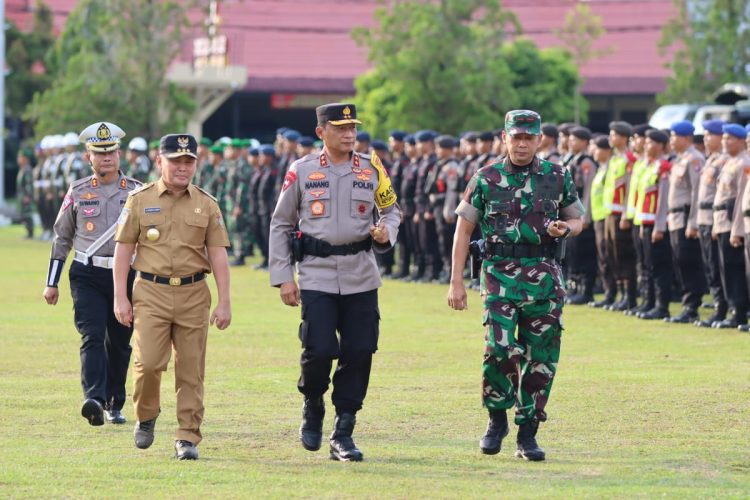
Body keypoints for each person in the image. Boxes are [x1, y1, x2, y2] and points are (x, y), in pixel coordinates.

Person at [447, 110, 584, 462]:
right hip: (498, 279)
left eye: (529, 137)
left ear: (539, 140)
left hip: (544, 280)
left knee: (542, 358)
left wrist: (566, 229)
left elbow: (577, 217)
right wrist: (456, 282)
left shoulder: (557, 176)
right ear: (504, 138)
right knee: (499, 349)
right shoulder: (485, 178)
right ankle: (496, 420)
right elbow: (463, 230)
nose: (522, 143)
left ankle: (528, 432)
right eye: (516, 137)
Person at [268, 103, 401, 462]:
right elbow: (281, 223)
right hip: (316, 274)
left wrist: (385, 231)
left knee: (359, 351)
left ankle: (344, 430)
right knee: (320, 349)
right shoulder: (302, 170)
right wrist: (283, 278)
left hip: (361, 272)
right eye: (341, 128)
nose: (349, 134)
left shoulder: (371, 168)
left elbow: (391, 210)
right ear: (321, 132)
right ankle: (313, 403)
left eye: (353, 127)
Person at [112, 133, 232, 461]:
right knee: (149, 362)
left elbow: (218, 254)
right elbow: (123, 250)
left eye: (188, 161)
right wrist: (119, 297)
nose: (182, 167)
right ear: (159, 160)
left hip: (194, 292)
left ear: (196, 163)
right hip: (150, 291)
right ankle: (146, 414)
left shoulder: (207, 203)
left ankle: (187, 436)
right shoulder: (139, 199)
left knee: (191, 368)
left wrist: (224, 300)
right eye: (175, 160)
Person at [42, 121, 141, 426]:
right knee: (92, 336)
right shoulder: (79, 190)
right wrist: (52, 282)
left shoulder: (138, 192)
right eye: (99, 153)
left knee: (120, 343)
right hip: (87, 273)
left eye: (110, 152)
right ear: (88, 157)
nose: (105, 158)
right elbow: (62, 237)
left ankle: (114, 401)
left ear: (119, 154)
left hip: (125, 276)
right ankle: (94, 398)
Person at [666, 120, 706, 323]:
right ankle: (686, 304)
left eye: (675, 136)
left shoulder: (694, 159)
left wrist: (693, 224)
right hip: (674, 218)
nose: (671, 140)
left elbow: (697, 193)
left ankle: (692, 306)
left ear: (687, 138)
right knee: (679, 262)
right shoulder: (679, 159)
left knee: (689, 262)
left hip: (685, 218)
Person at [694, 120, 728, 327]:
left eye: (709, 136)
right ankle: (719, 306)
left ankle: (723, 307)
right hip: (704, 218)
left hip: (716, 220)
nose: (705, 139)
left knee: (718, 266)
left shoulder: (724, 161)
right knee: (710, 265)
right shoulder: (711, 160)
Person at [16, 148, 36, 239]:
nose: (19, 159)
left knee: (27, 214)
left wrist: (28, 195)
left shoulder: (27, 169)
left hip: (26, 196)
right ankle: (28, 232)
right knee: (23, 214)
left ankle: (30, 232)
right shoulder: (22, 169)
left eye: (21, 157)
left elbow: (28, 184)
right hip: (22, 196)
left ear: (25, 159)